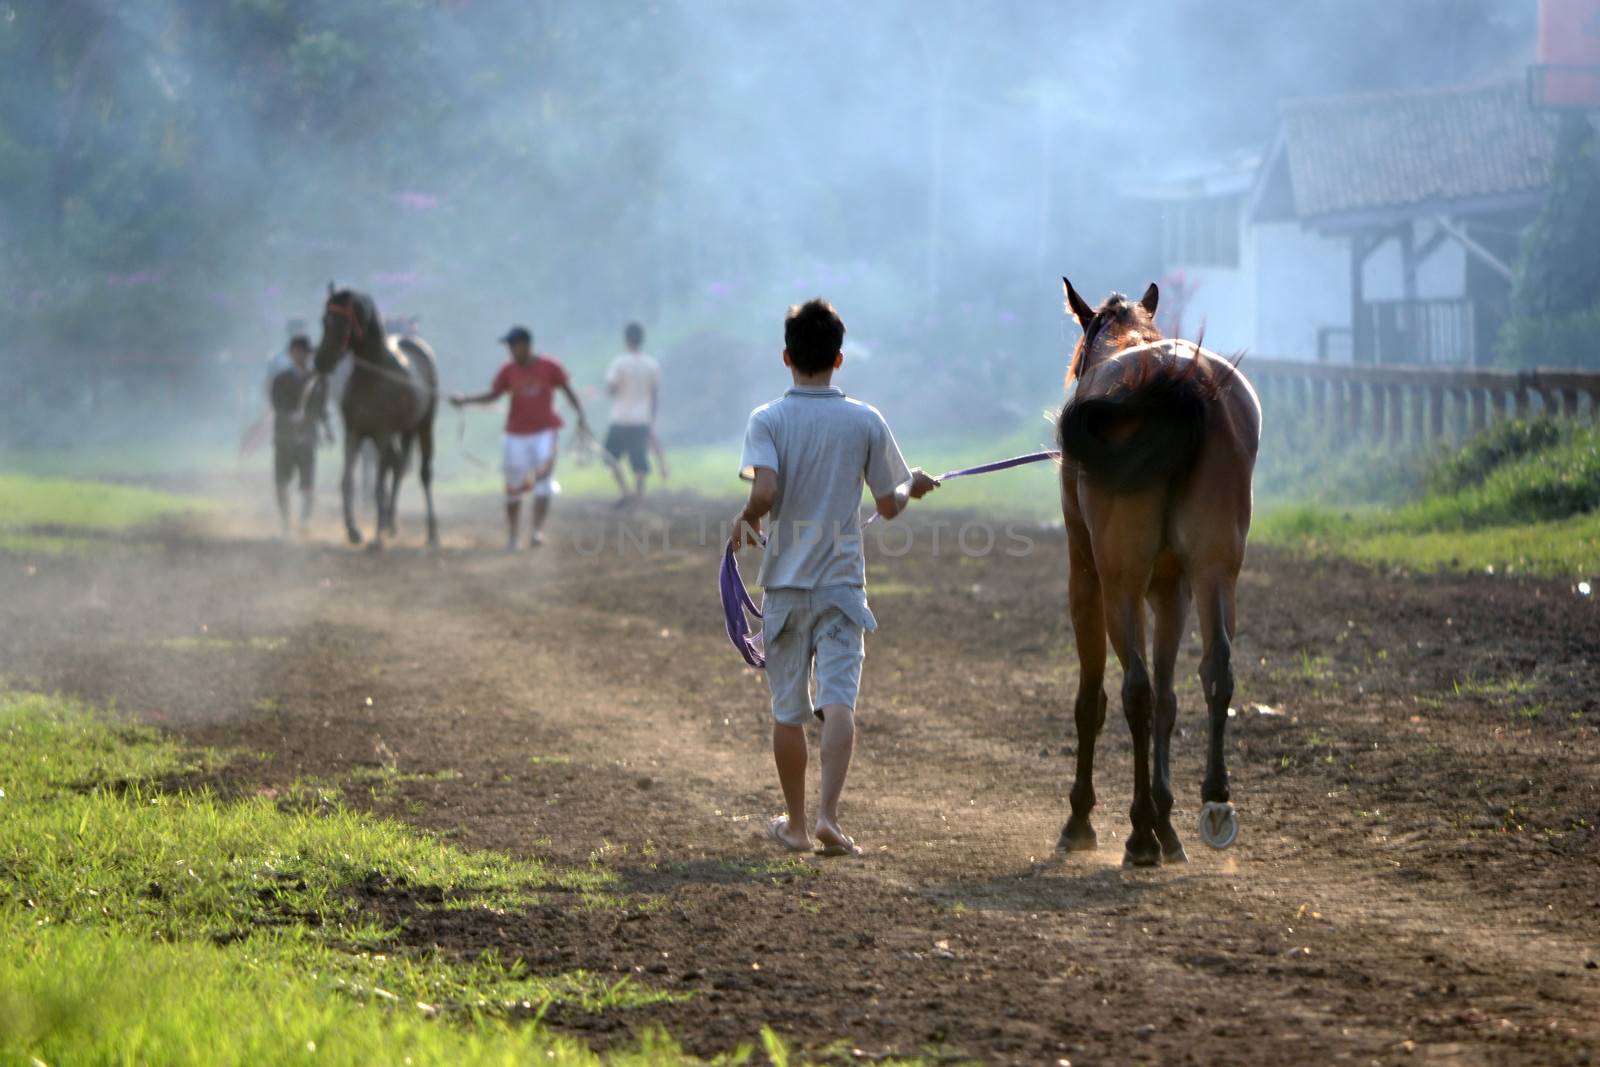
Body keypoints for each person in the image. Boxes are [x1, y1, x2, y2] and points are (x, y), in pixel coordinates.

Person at [730, 298, 939, 857]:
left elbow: (766, 492)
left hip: (786, 589)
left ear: (786, 356)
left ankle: (795, 826)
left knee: (788, 711)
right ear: (839, 360)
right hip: (842, 587)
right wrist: (910, 484)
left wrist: (747, 518)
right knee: (839, 702)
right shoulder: (865, 420)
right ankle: (828, 816)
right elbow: (889, 505)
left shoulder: (767, 419)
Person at [450, 326, 589, 549]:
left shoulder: (550, 366)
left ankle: (536, 531)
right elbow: (494, 395)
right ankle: (513, 535)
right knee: (513, 487)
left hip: (544, 432)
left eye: (512, 347)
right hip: (515, 435)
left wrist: (580, 415)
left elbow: (567, 389)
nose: (510, 352)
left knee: (543, 483)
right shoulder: (508, 370)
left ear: (525, 345)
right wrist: (465, 400)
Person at [268, 335, 330, 534]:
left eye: (304, 352)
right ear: (291, 353)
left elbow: (320, 407)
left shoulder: (317, 380)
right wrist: (291, 417)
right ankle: (286, 522)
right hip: (284, 438)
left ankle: (304, 522)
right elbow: (277, 405)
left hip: (307, 438)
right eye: (296, 351)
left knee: (307, 484)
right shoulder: (280, 380)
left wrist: (321, 425)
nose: (300, 356)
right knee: (282, 483)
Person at [602, 321, 661, 508]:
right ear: (642, 339)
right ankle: (639, 496)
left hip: (620, 418)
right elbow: (654, 395)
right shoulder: (651, 364)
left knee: (609, 456)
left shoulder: (619, 363)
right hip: (641, 419)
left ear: (626, 339)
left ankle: (625, 491)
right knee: (639, 460)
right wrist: (651, 419)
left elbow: (611, 388)